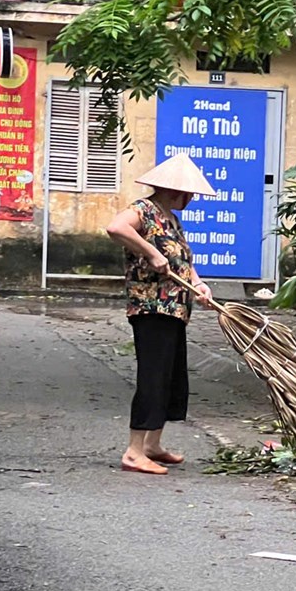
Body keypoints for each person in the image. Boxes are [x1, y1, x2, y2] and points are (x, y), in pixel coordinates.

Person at [104, 153, 217, 475]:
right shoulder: (144, 210)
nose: (192, 199)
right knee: (153, 378)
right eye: (190, 193)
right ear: (174, 190)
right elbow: (115, 228)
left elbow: (182, 261)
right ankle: (134, 451)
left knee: (171, 377)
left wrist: (198, 284)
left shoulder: (171, 219)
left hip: (176, 309)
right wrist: (151, 253)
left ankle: (152, 444)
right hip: (151, 307)